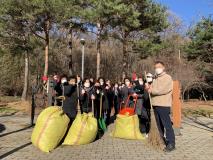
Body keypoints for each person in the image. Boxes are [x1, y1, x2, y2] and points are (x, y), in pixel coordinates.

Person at [145, 61, 175, 152]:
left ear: (163, 67)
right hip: (155, 105)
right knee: (158, 125)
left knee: (167, 125)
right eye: (155, 67)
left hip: (164, 105)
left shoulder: (167, 78)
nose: (157, 69)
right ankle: (161, 140)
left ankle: (171, 143)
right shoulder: (155, 79)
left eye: (159, 67)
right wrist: (148, 87)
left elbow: (162, 90)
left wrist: (151, 90)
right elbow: (152, 90)